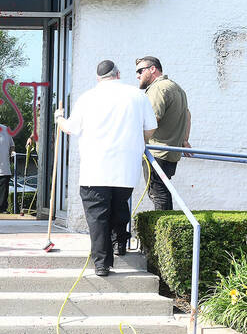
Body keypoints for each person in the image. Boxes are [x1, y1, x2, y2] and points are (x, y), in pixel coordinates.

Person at [55, 59, 156, 277]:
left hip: (95, 168)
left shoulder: (88, 97)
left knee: (98, 217)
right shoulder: (137, 96)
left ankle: (102, 264)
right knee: (120, 208)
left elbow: (71, 128)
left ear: (98, 78)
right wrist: (139, 142)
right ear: (118, 74)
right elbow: (150, 129)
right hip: (126, 168)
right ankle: (119, 244)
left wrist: (58, 118)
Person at [136, 56, 192, 211]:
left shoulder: (158, 88)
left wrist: (138, 140)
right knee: (163, 192)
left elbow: (153, 118)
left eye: (140, 71)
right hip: (171, 153)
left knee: (158, 194)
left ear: (152, 69)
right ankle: (167, 229)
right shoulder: (176, 87)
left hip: (157, 152)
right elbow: (187, 115)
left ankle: (164, 233)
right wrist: (184, 140)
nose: (137, 75)